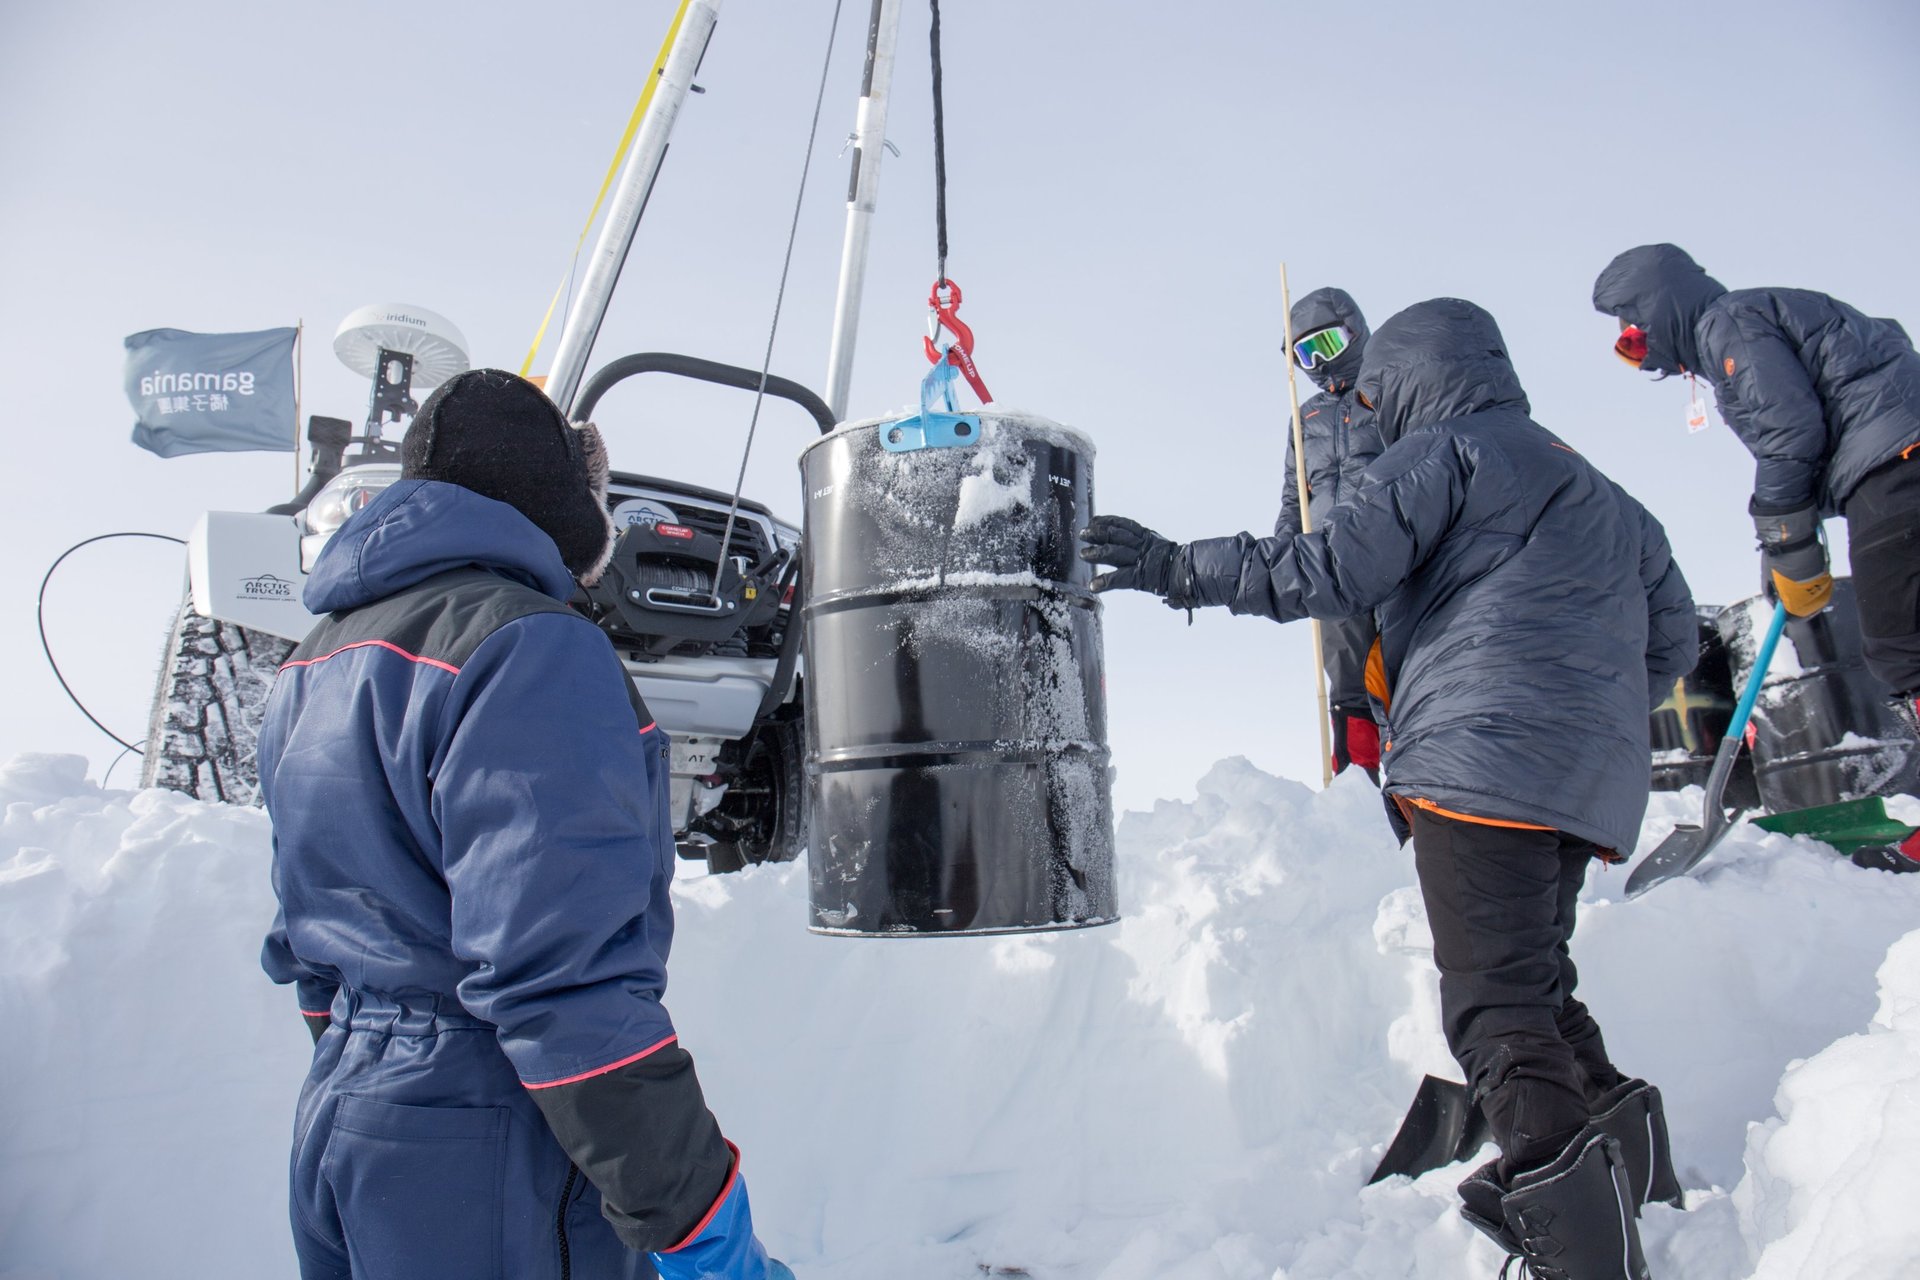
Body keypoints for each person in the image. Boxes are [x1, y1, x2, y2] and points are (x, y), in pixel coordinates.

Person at [1080, 298, 1695, 1279]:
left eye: (1378, 386)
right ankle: (1642, 1190)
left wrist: (1173, 566)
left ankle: (1587, 1264)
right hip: (1586, 781)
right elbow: (1673, 638)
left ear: (1411, 376)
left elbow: (1325, 565)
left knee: (1496, 1012)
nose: (1368, 401)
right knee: (1539, 989)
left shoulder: (1442, 455)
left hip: (1479, 762)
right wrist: (1579, 700)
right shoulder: (1605, 490)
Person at [257, 369, 794, 1280]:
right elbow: (561, 988)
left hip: (344, 1123)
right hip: (491, 1144)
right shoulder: (530, 646)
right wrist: (697, 1216)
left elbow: (311, 952)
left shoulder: (317, 659)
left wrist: (388, 1074)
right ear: (555, 502)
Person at [1594, 243, 1920, 873]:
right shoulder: (1751, 319)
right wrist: (1782, 546)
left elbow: (1791, 430)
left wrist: (1783, 531)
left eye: (1632, 332)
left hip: (1897, 472)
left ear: (1658, 309)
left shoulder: (1729, 323)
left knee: (1902, 649)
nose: (1635, 350)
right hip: (1896, 463)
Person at [1277, 287, 1386, 781]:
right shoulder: (1306, 418)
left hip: (1390, 557)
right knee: (1346, 681)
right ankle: (1357, 784)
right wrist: (1285, 554)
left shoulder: (1387, 394)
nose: (1319, 362)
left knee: (1399, 673)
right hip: (1330, 568)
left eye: (1327, 344)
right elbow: (1292, 498)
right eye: (1305, 353)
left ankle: (1423, 796)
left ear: (1354, 332)